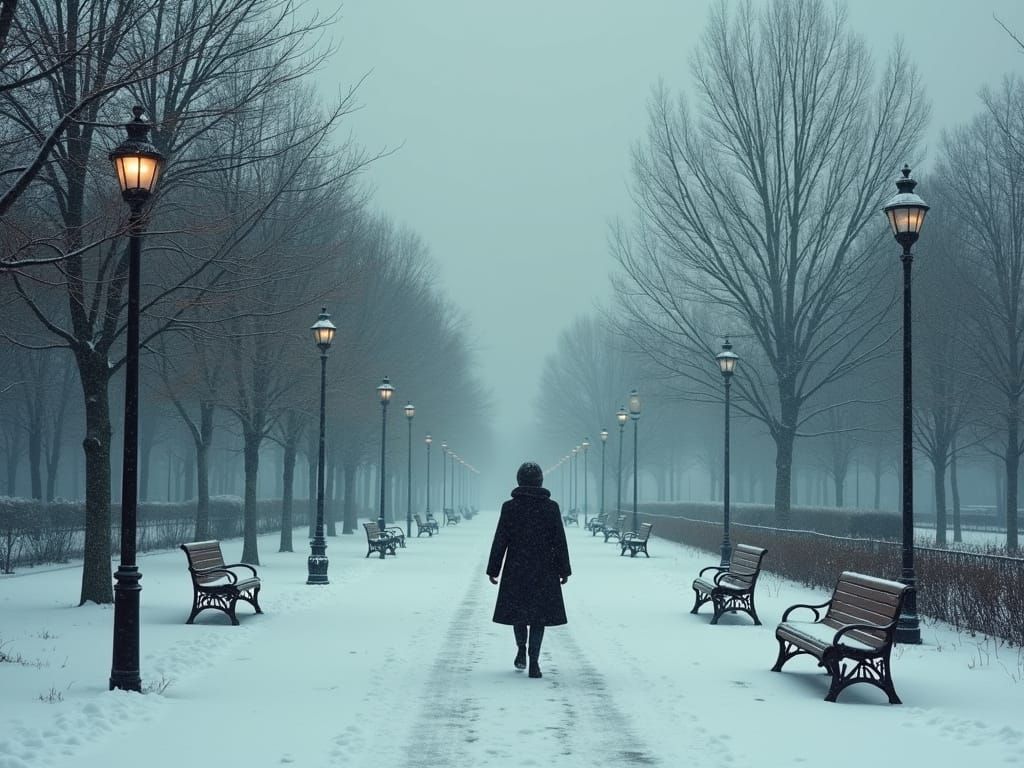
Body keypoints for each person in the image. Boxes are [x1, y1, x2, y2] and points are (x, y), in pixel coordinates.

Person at [486, 461, 571, 679]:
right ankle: (534, 661)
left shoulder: (510, 507)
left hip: (517, 567)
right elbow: (559, 540)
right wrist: (564, 569)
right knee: (539, 617)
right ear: (540, 481)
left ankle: (521, 649)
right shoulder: (550, 508)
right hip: (544, 568)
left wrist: (494, 568)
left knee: (519, 613)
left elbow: (501, 539)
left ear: (519, 481)